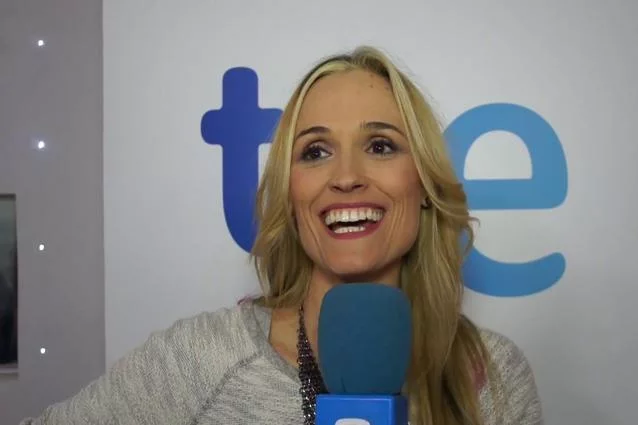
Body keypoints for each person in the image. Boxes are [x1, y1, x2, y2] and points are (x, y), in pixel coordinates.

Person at [21, 46, 542, 425]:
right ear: (291, 195)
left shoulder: (493, 376)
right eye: (315, 152)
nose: (346, 176)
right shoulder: (203, 358)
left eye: (380, 146)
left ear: (424, 184)